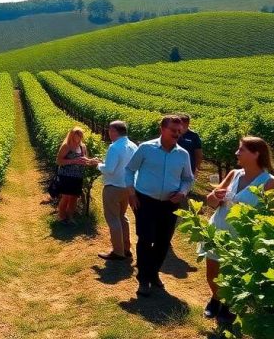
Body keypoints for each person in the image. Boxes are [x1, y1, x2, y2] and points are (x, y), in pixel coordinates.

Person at [200, 136, 274, 322]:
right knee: (212, 274)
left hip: (243, 239)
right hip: (218, 230)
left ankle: (229, 307)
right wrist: (216, 196)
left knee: (234, 276)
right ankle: (216, 298)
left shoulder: (270, 183)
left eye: (241, 150)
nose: (236, 153)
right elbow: (211, 202)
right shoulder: (234, 174)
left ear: (256, 154)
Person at [125, 115, 194, 297]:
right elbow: (129, 169)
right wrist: (131, 193)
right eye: (173, 130)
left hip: (170, 204)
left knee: (163, 241)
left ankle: (153, 272)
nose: (177, 134)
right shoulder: (146, 148)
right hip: (145, 200)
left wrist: (182, 192)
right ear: (162, 129)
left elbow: (188, 178)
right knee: (146, 239)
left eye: (179, 131)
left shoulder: (182, 154)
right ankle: (143, 279)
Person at [97, 120, 138, 260]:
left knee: (113, 219)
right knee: (122, 217)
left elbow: (109, 169)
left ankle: (118, 252)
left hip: (113, 187)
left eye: (110, 130)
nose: (108, 132)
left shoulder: (114, 147)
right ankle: (126, 248)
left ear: (115, 132)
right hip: (127, 187)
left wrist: (98, 165)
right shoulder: (133, 146)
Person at [56, 127, 97, 223]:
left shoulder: (83, 147)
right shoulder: (66, 146)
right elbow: (58, 161)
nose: (79, 137)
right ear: (71, 135)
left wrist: (92, 161)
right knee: (66, 197)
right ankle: (62, 217)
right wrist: (73, 161)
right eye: (77, 135)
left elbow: (85, 160)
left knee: (74, 197)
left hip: (78, 176)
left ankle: (70, 217)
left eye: (80, 135)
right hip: (66, 176)